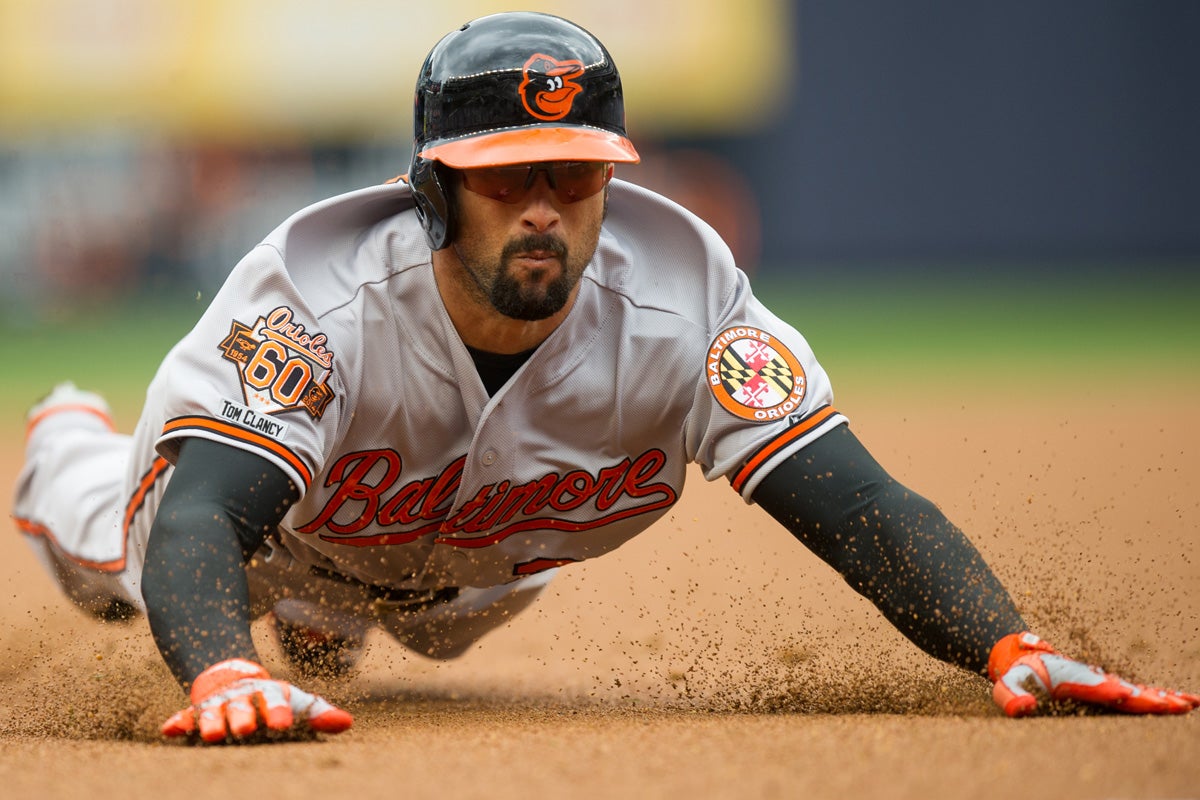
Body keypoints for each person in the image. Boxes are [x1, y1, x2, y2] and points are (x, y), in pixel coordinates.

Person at [13, 11, 1197, 744]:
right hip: (261, 527)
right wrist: (223, 670)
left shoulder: (685, 299)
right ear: (431, 191)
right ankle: (69, 445)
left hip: (471, 570)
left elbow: (859, 504)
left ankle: (331, 622)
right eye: (506, 174)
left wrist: (1008, 643)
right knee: (123, 561)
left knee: (425, 634)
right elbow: (206, 516)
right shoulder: (313, 304)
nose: (544, 206)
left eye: (575, 173)